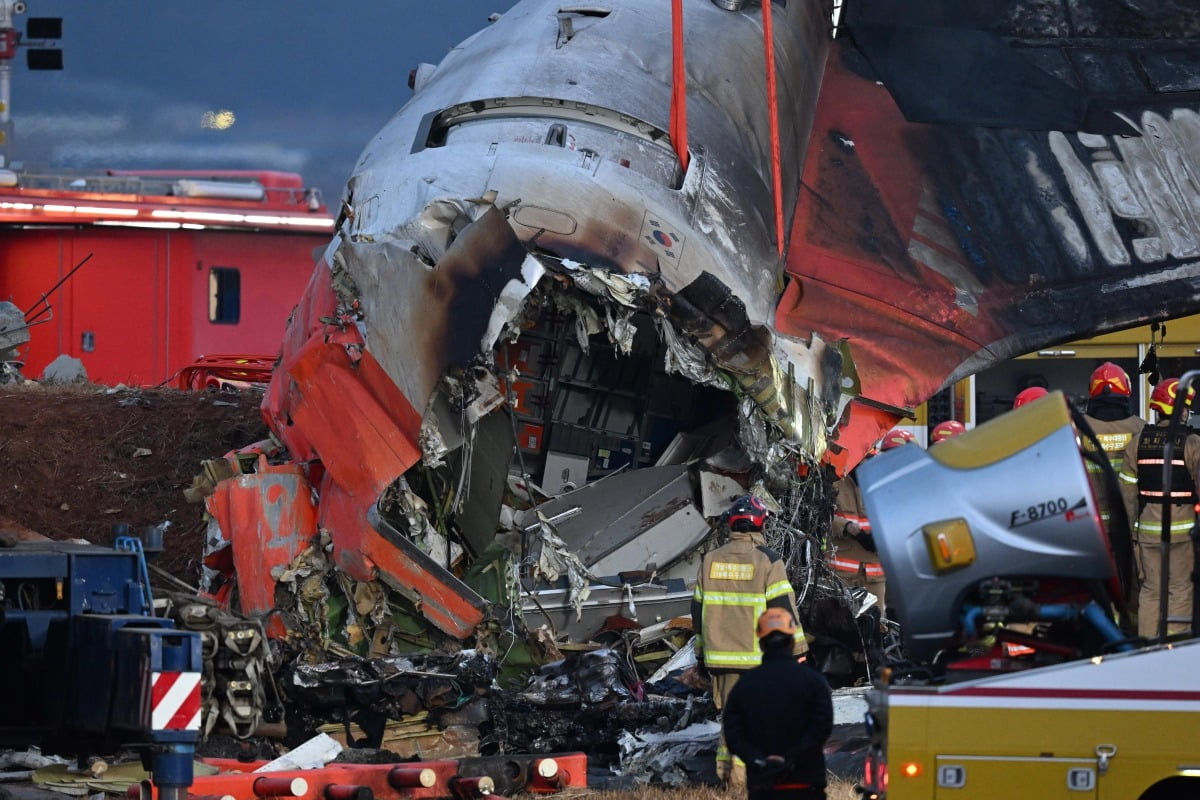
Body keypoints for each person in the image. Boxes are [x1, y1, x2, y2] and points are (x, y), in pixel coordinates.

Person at [693, 495, 806, 788]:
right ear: (760, 525)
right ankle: (741, 783)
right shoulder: (768, 561)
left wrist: (700, 655)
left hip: (720, 658)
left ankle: (724, 775)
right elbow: (783, 610)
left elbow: (697, 612)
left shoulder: (710, 560)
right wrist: (798, 652)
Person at [722, 608, 834, 800]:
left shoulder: (744, 686)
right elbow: (821, 727)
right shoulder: (813, 682)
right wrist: (792, 757)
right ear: (792, 642)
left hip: (763, 787)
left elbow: (733, 733)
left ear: (761, 644)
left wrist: (757, 759)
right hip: (805, 785)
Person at [1118, 378, 1199, 638]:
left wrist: (1131, 533)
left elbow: (1127, 494)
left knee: (1151, 591)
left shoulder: (1138, 442)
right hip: (1183, 534)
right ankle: (1174, 649)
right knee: (1180, 589)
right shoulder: (1192, 443)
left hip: (1148, 534)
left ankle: (1148, 646)